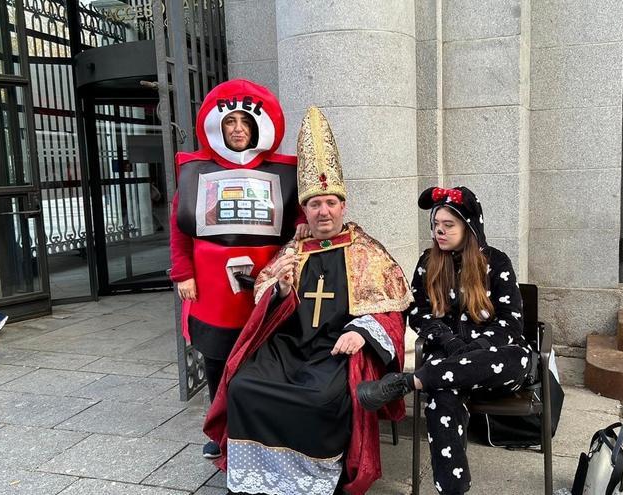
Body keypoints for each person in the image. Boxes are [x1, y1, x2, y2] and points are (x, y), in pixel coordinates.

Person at [203, 106, 412, 495]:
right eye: (315, 204)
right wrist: (279, 291)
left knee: (320, 399)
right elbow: (265, 295)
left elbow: (393, 310)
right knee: (244, 386)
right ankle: (257, 480)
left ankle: (315, 480)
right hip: (292, 346)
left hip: (335, 350)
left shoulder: (367, 251)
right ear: (306, 210)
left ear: (343, 205)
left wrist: (363, 334)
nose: (324, 211)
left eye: (330, 202)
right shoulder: (295, 250)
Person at [356, 186, 537, 495]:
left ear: (470, 226)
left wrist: (476, 349)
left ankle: (410, 381)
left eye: (448, 224)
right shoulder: (429, 262)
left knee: (517, 357)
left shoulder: (497, 262)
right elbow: (419, 313)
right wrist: (451, 343)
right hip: (447, 364)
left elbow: (511, 323)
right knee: (442, 401)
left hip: (495, 361)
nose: (439, 230)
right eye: (436, 224)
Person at [170, 79, 301, 458]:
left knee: (265, 358)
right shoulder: (195, 172)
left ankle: (260, 427)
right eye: (231, 122)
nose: (238, 128)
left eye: (245, 120)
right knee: (216, 360)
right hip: (212, 291)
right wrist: (183, 273)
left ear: (258, 126)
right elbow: (180, 230)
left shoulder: (284, 173)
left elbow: (297, 225)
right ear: (220, 126)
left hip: (265, 289)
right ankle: (220, 427)